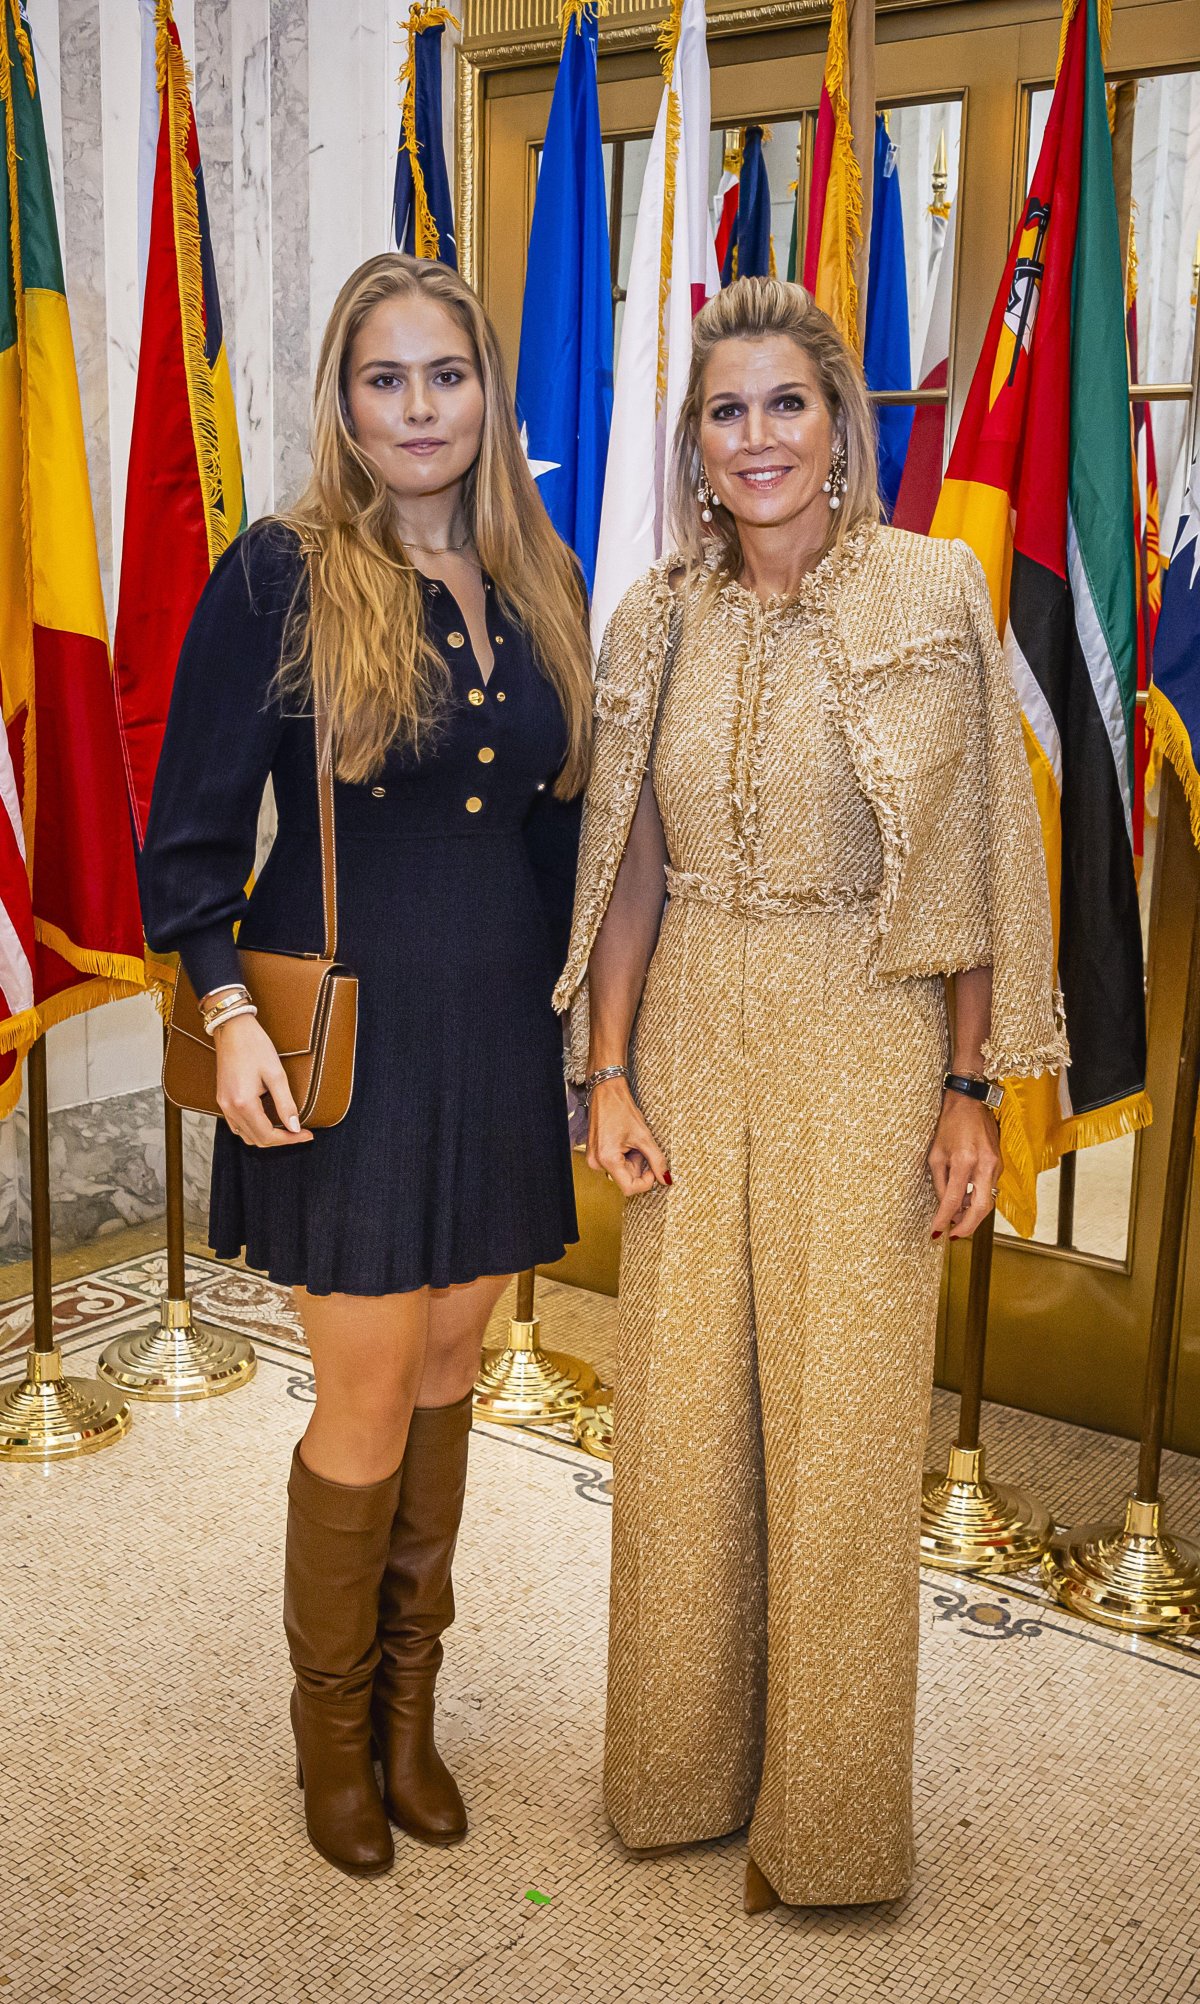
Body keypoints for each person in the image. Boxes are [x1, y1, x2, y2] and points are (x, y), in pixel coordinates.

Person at [554, 276, 1067, 1913]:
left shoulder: (934, 591)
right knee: (687, 1420)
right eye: (726, 409)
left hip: (871, 1026)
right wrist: (609, 1069)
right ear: (696, 443)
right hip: (695, 1014)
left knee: (843, 1436)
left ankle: (832, 1830)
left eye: (787, 403)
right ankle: (681, 1777)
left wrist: (969, 1088)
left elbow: (986, 854)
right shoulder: (652, 615)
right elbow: (627, 863)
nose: (757, 436)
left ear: (841, 425)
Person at [140, 252, 591, 1878]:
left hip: (496, 1036)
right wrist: (227, 1014)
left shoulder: (539, 573)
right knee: (364, 1395)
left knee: (459, 1363)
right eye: (386, 379)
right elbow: (186, 835)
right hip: (345, 1042)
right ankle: (332, 1735)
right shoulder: (278, 572)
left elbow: (560, 831)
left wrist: (580, 1042)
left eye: (448, 376)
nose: (421, 409)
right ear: (342, 399)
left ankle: (414, 1716)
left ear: (487, 393)